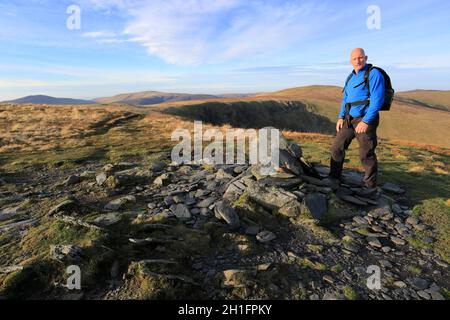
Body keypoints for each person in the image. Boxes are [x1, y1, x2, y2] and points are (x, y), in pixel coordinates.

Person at [326, 48, 385, 191]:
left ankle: (369, 186)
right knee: (336, 147)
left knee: (366, 153)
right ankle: (334, 177)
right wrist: (341, 117)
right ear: (350, 61)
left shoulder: (373, 74)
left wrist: (366, 121)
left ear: (366, 58)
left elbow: (377, 100)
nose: (358, 61)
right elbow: (345, 99)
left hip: (365, 119)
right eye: (354, 59)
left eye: (360, 58)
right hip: (348, 119)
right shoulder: (350, 77)